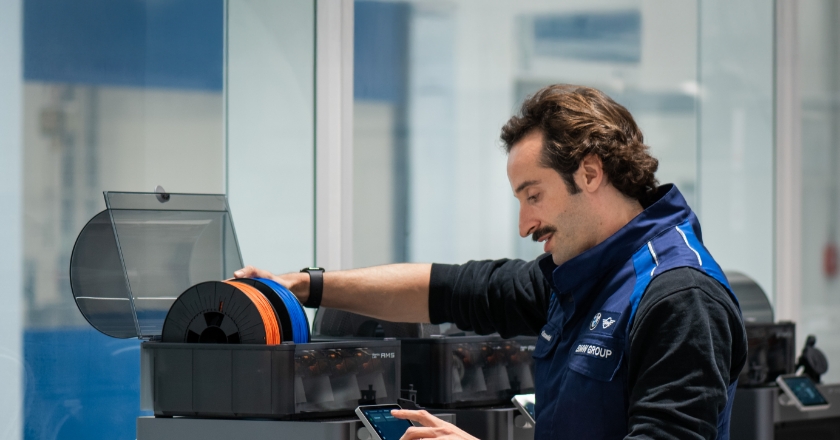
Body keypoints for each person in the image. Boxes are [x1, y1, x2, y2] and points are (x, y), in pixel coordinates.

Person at [235, 84, 747, 440]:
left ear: (590, 174)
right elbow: (450, 289)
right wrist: (305, 286)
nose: (524, 224)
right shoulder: (583, 278)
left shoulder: (677, 295)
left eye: (534, 195)